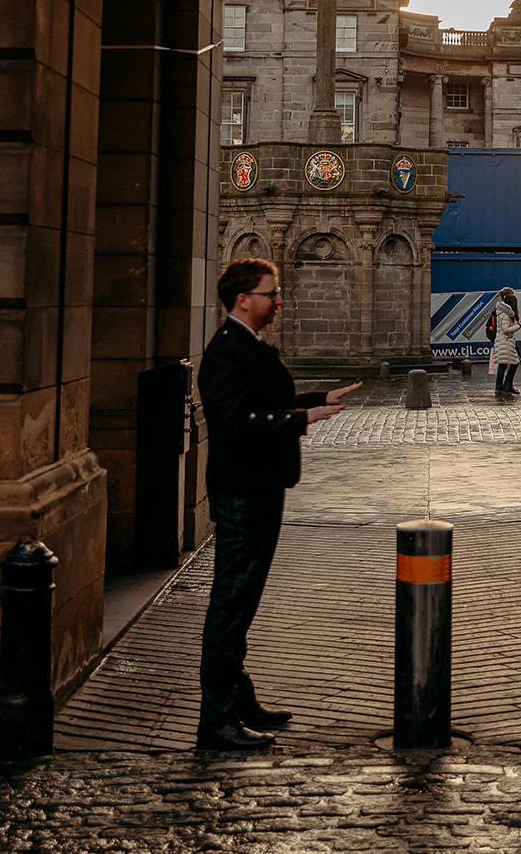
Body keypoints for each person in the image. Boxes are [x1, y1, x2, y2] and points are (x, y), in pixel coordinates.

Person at [196, 258, 361, 751]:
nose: (278, 301)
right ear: (243, 298)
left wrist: (317, 396)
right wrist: (302, 418)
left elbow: (266, 399)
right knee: (230, 605)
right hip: (242, 493)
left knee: (241, 604)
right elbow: (235, 423)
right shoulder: (227, 351)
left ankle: (239, 701)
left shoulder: (249, 344)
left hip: (260, 489)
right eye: (271, 294)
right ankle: (217, 720)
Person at [493, 287, 521, 398]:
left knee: (512, 362)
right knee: (504, 364)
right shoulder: (505, 313)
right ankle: (500, 387)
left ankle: (506, 385)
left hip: (507, 341)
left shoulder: (505, 311)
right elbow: (505, 330)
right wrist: (517, 326)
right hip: (505, 341)